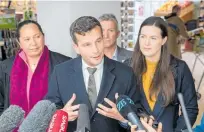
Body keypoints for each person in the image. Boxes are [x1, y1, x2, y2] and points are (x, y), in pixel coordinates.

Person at [46, 16, 140, 132]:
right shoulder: (60, 72)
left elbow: (138, 115)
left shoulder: (126, 73)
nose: (95, 50)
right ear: (76, 48)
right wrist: (62, 115)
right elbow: (50, 111)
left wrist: (123, 119)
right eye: (87, 45)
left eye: (98, 41)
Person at [124, 16, 198, 132]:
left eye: (153, 38)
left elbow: (190, 108)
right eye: (143, 37)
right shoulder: (128, 66)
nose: (146, 43)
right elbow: (124, 105)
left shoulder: (179, 68)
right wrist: (130, 126)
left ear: (163, 40)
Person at [0, 20, 71, 116]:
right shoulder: (5, 67)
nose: (33, 43)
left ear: (43, 37)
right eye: (27, 39)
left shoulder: (64, 63)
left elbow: (71, 99)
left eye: (37, 37)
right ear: (19, 42)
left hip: (54, 127)